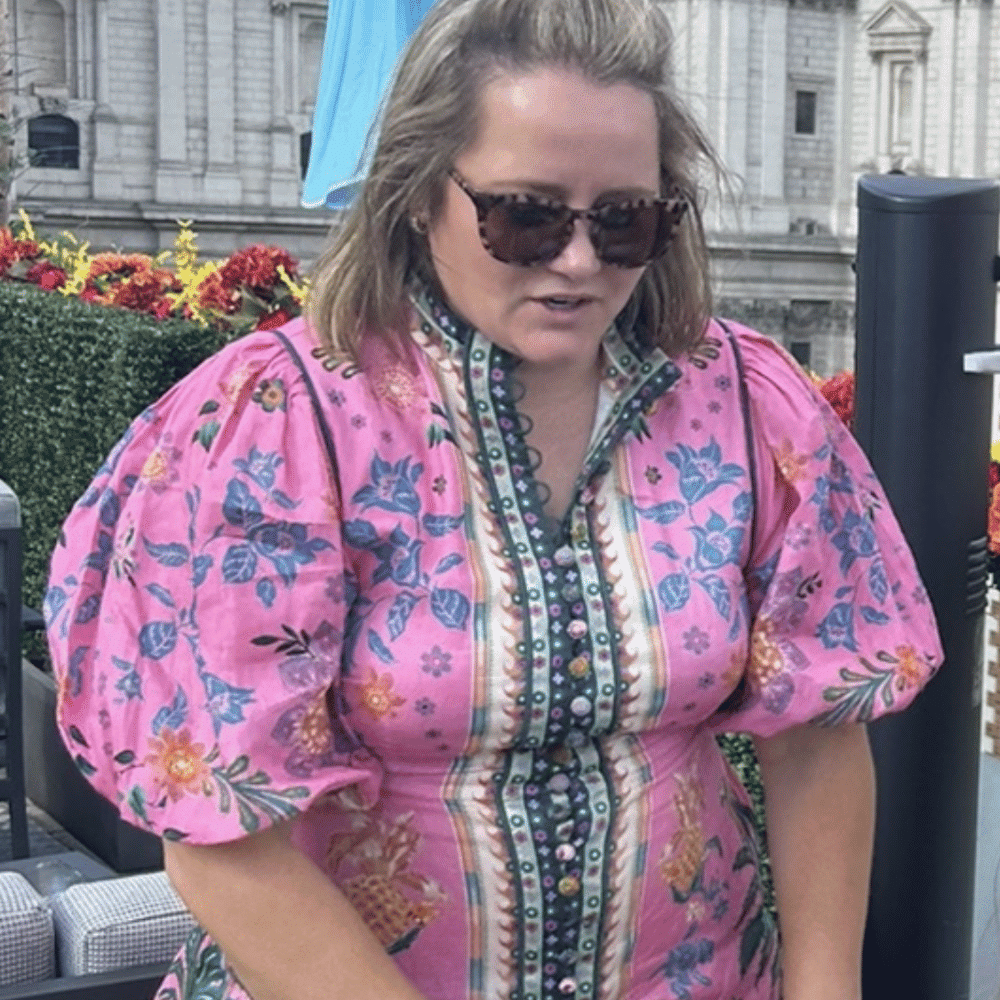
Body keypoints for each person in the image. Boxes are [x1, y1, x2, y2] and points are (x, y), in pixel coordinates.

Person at [44, 1, 943, 998]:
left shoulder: (747, 401)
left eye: (623, 219)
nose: (579, 260)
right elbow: (224, 835)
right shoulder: (273, 426)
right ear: (422, 195)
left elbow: (816, 737)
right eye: (526, 215)